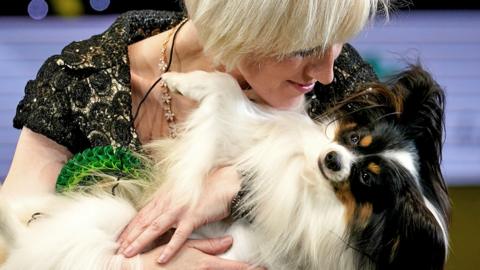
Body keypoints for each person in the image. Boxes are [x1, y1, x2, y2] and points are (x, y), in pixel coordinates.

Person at [1, 0, 390, 268]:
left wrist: (242, 182)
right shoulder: (80, 83)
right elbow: (8, 245)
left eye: (339, 41)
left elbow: (397, 234)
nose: (325, 73)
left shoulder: (344, 87)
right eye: (304, 48)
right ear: (237, 26)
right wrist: (128, 265)